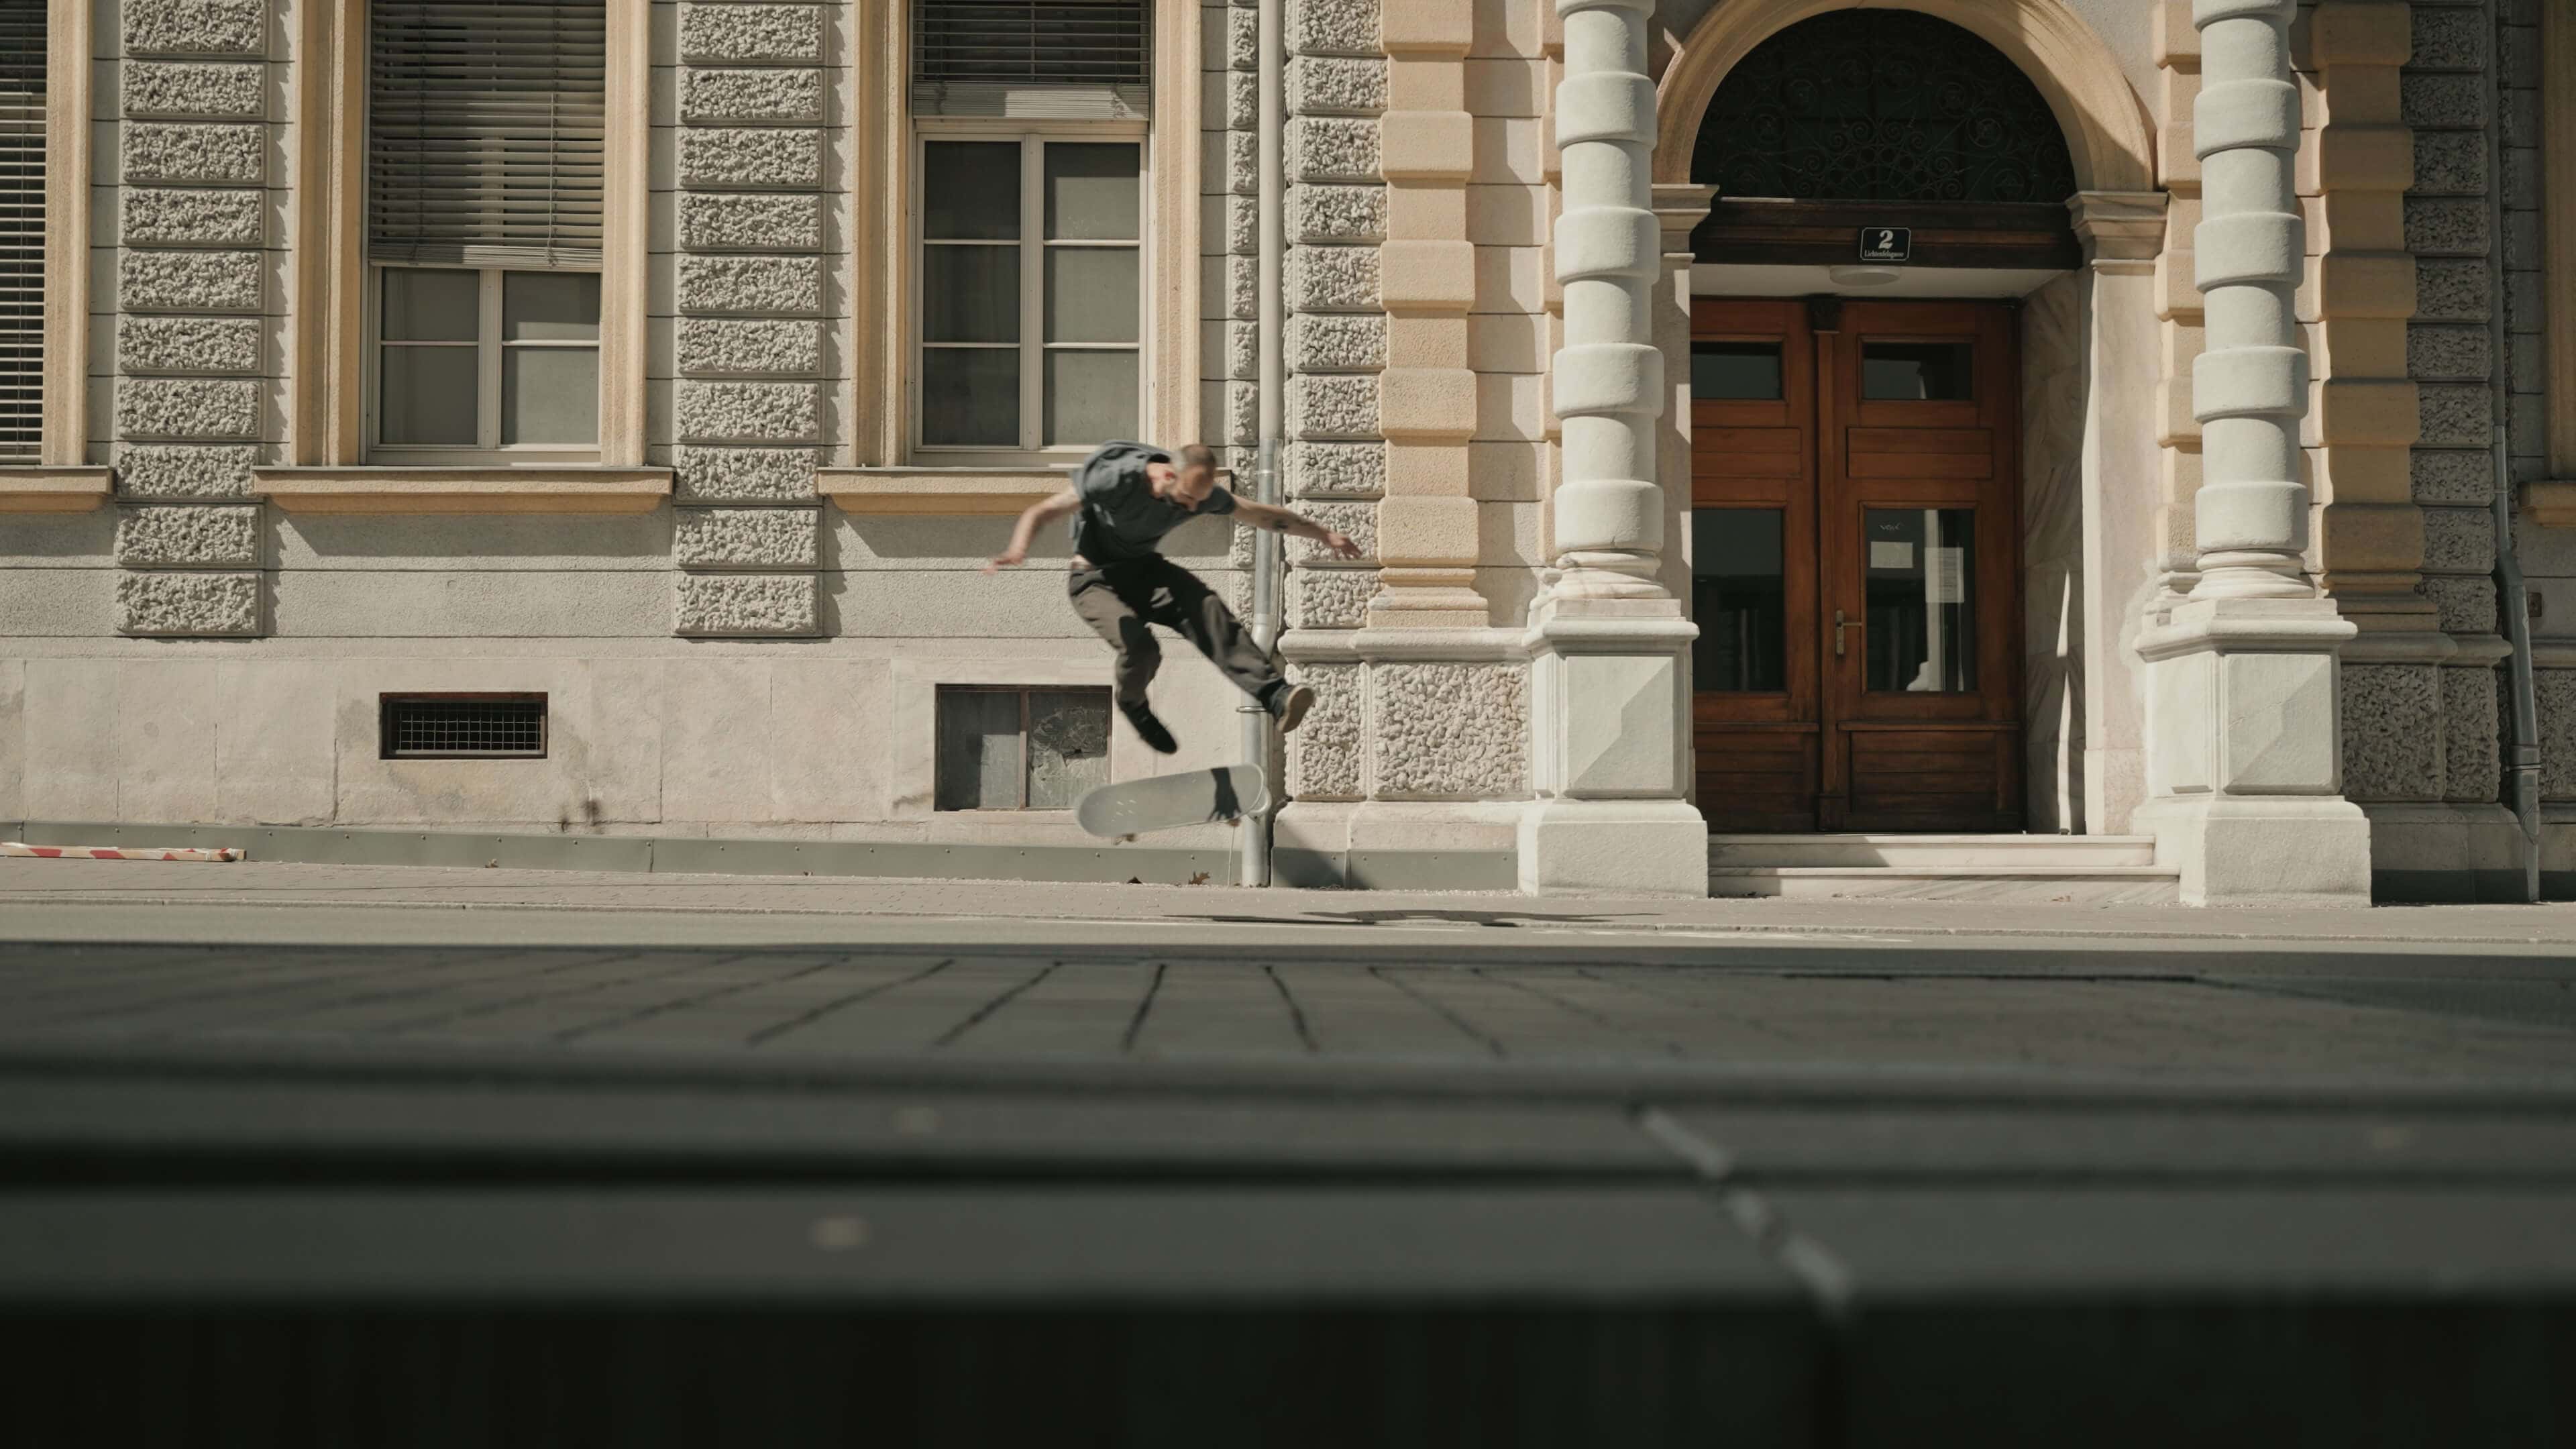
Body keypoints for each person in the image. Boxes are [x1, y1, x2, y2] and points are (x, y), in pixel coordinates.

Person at [985, 440, 1362, 755]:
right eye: (1186, 500)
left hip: (1145, 572)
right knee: (1140, 646)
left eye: (1199, 502)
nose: (1193, 509)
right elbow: (1045, 509)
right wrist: (1018, 547)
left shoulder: (1199, 493)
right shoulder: (1115, 479)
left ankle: (1276, 696)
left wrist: (1323, 535)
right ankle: (1133, 704)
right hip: (1093, 579)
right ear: (1166, 475)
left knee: (1207, 609)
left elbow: (1261, 515)